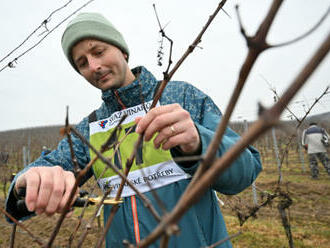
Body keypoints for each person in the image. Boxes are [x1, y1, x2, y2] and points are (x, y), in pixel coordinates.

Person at [5, 13, 262, 247]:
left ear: (123, 51)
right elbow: (46, 169)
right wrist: (26, 182)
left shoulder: (182, 97)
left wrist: (199, 143)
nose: (93, 66)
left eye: (99, 51)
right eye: (82, 63)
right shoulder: (90, 128)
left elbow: (245, 170)